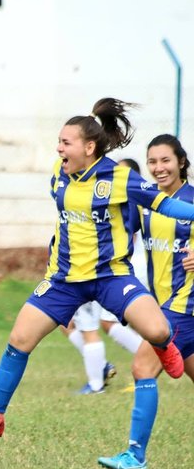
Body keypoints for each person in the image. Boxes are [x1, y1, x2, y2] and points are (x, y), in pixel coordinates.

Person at [0, 98, 192, 449]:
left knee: (159, 329)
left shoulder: (119, 177)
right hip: (63, 280)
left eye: (66, 142)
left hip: (110, 276)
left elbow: (166, 205)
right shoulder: (58, 173)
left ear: (89, 147)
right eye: (59, 142)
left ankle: (164, 346)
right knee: (19, 341)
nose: (59, 148)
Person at [98, 134, 194, 469]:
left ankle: (136, 456)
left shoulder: (192, 202)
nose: (158, 168)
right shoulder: (147, 204)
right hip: (163, 305)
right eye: (152, 162)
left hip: (182, 307)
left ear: (181, 162)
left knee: (142, 368)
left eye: (166, 160)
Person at [60, 158, 145, 395]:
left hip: (108, 271)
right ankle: (102, 366)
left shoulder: (126, 201)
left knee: (95, 325)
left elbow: (129, 238)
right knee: (64, 321)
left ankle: (98, 383)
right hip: (102, 269)